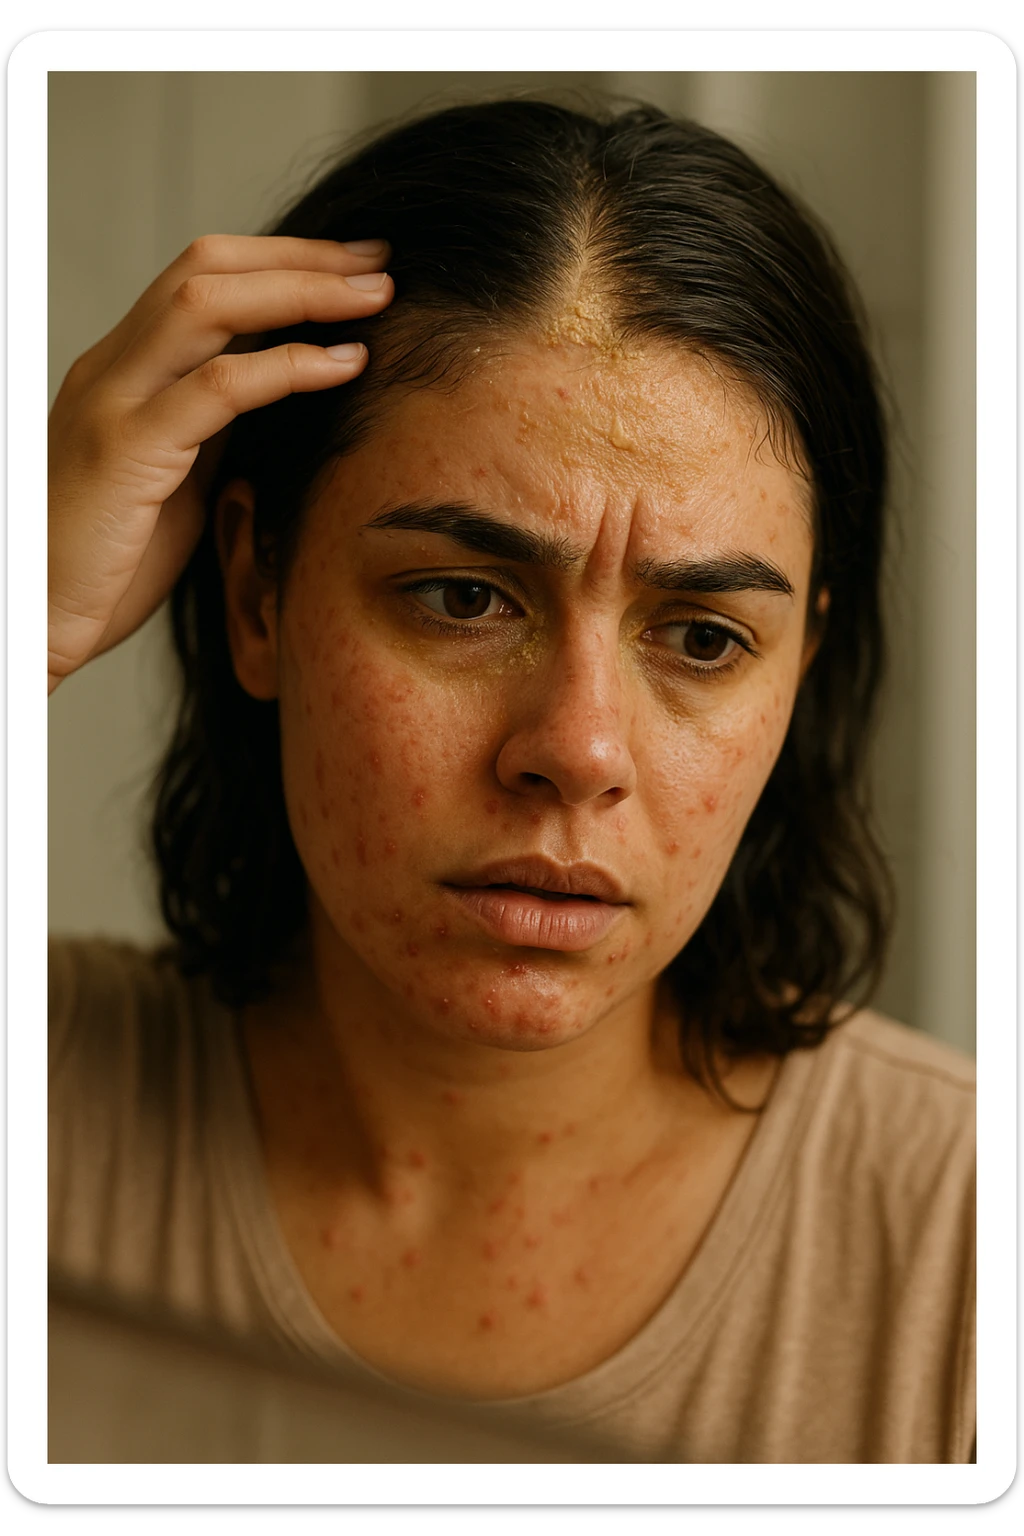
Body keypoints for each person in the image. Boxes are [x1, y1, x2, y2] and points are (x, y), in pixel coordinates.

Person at [47, 97, 975, 1463]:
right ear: (257, 593)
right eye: (463, 598)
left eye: (703, 639)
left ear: (802, 673)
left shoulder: (971, 1251)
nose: (579, 750)